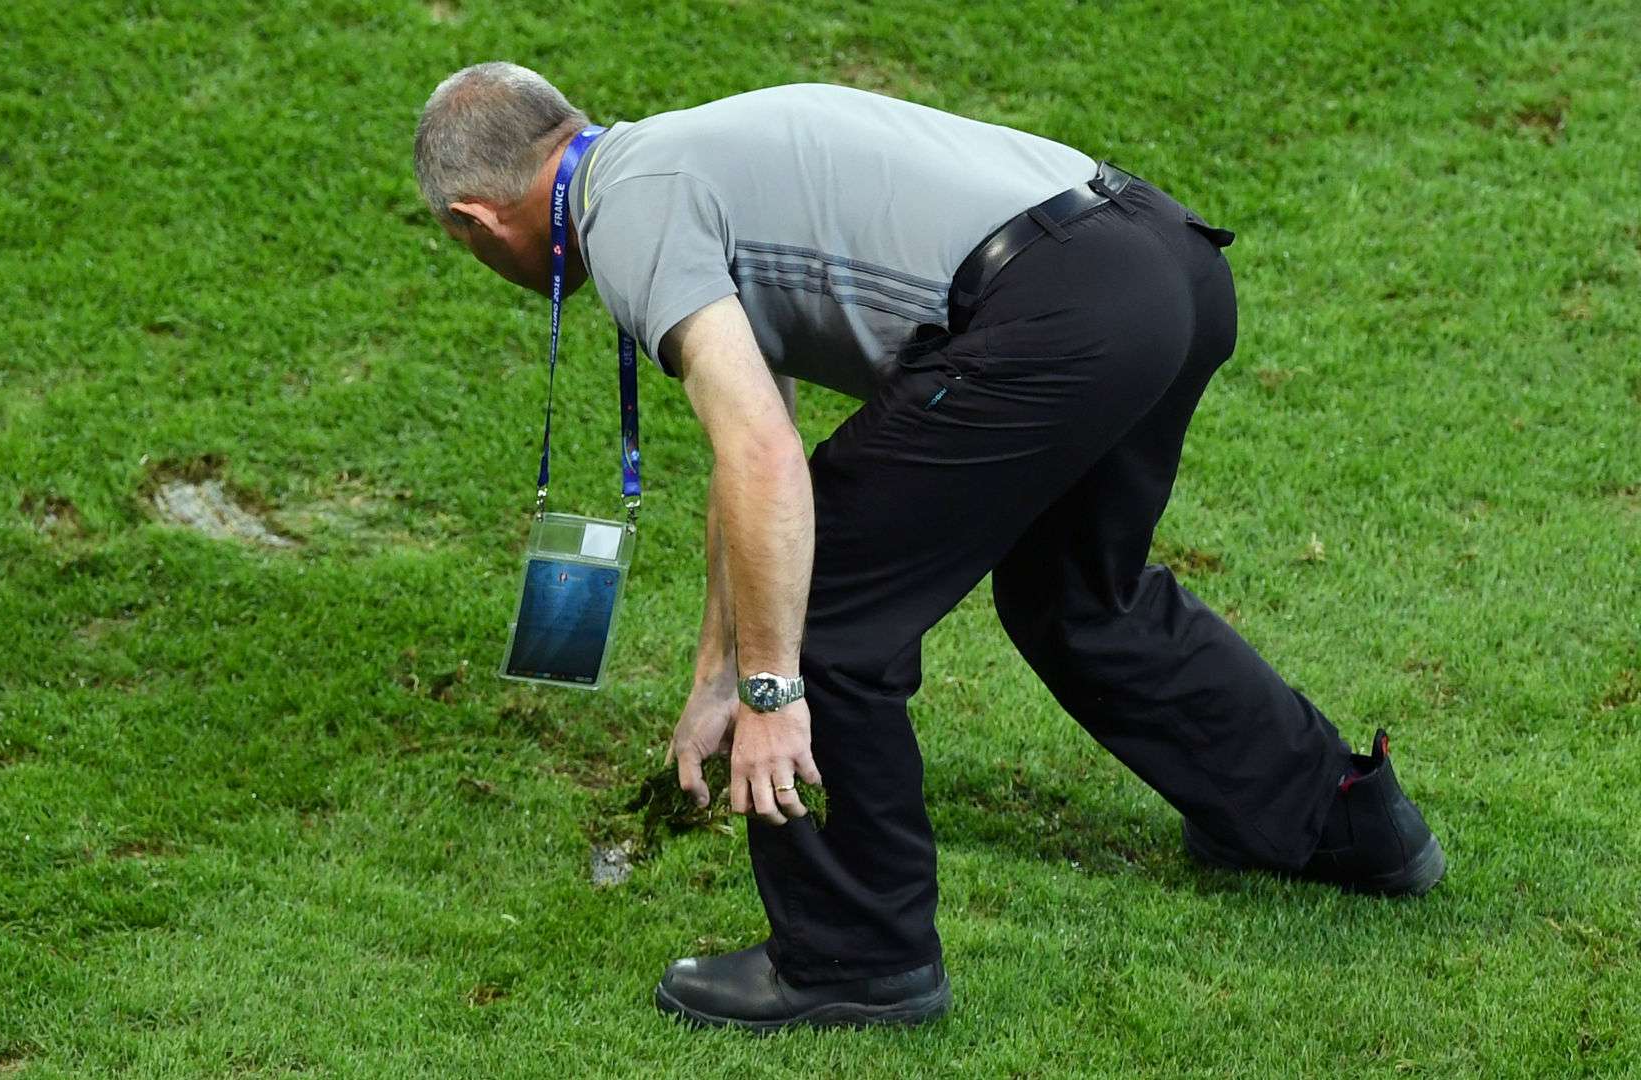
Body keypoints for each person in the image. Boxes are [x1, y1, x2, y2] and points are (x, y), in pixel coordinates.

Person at [412, 62, 1445, 1032]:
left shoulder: (626, 213)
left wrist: (771, 687)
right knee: (1080, 598)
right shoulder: (676, 154)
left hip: (1056, 312)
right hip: (1162, 261)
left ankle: (853, 957)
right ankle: (1342, 823)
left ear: (475, 218)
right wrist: (715, 674)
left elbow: (767, 459)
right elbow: (754, 459)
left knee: (822, 615)